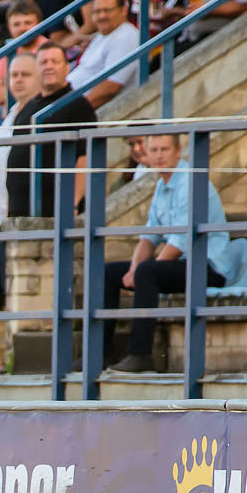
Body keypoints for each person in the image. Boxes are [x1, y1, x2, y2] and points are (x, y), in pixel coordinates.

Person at [100, 131, 226, 374]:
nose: (158, 156)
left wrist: (141, 272)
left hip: (209, 266)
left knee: (149, 272)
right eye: (154, 150)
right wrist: (133, 269)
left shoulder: (189, 182)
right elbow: (149, 236)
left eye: (164, 149)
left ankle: (140, 355)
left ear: (178, 151)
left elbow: (180, 242)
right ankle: (99, 353)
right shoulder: (162, 184)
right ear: (146, 154)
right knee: (108, 272)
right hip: (182, 264)